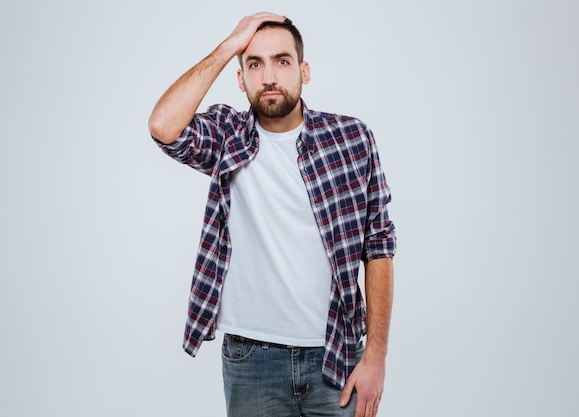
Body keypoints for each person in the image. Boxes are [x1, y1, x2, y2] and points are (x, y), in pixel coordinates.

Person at [148, 12, 396, 417]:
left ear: (304, 71)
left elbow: (379, 247)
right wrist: (230, 44)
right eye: (254, 64)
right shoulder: (227, 135)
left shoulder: (351, 139)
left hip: (335, 355)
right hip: (251, 361)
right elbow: (163, 126)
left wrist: (376, 358)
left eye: (281, 61)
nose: (269, 77)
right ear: (241, 78)